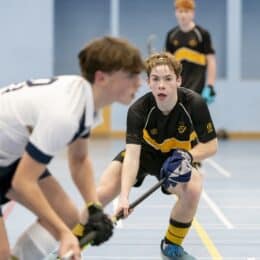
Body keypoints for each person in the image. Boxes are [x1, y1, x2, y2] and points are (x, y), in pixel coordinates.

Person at [0, 36, 145, 260]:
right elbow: (22, 183)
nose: (139, 83)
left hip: (9, 155)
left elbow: (79, 159)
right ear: (101, 77)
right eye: (130, 76)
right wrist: (63, 234)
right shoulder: (64, 115)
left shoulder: (84, 100)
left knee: (69, 217)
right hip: (9, 159)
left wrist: (94, 207)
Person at [97, 52, 218, 259]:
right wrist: (124, 198)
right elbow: (133, 157)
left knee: (194, 188)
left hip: (175, 160)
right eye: (156, 79)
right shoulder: (138, 110)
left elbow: (211, 146)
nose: (161, 85)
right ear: (148, 82)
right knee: (102, 192)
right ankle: (71, 241)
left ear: (178, 80)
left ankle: (171, 245)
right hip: (144, 156)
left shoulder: (194, 104)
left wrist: (188, 156)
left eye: (168, 79)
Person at [165, 0, 217, 104]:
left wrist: (210, 86)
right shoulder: (171, 35)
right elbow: (167, 65)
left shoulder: (202, 34)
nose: (183, 15)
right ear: (176, 13)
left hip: (198, 91)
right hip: (177, 92)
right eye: (180, 11)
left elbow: (211, 61)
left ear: (192, 13)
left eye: (186, 11)